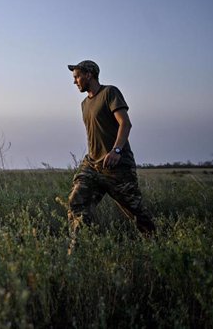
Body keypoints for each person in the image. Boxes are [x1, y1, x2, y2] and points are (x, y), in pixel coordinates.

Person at [67, 60, 156, 253]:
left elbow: (125, 123)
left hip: (117, 166)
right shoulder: (84, 104)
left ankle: (157, 249)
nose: (75, 81)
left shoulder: (109, 93)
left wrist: (116, 150)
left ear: (89, 74)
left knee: (136, 213)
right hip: (92, 165)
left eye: (77, 76)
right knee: (77, 202)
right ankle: (76, 253)